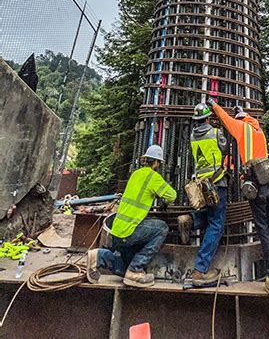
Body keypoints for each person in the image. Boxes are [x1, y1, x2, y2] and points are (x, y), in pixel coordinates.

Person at [210, 99, 269, 308]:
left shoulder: (240, 129)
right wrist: (242, 113)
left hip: (255, 187)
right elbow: (244, 119)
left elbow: (224, 118)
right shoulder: (258, 130)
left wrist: (213, 104)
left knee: (264, 232)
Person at [86, 144, 176, 287]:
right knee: (161, 228)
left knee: (123, 269)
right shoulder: (153, 177)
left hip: (117, 231)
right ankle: (136, 269)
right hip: (129, 233)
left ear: (146, 159)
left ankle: (99, 256)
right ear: (157, 162)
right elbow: (172, 195)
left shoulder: (135, 174)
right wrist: (164, 203)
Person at [177, 102, 228, 287]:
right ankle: (200, 269)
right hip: (216, 183)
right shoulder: (215, 133)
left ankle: (191, 220)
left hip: (200, 185)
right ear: (208, 118)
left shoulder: (192, 136)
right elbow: (224, 149)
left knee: (210, 215)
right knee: (216, 224)